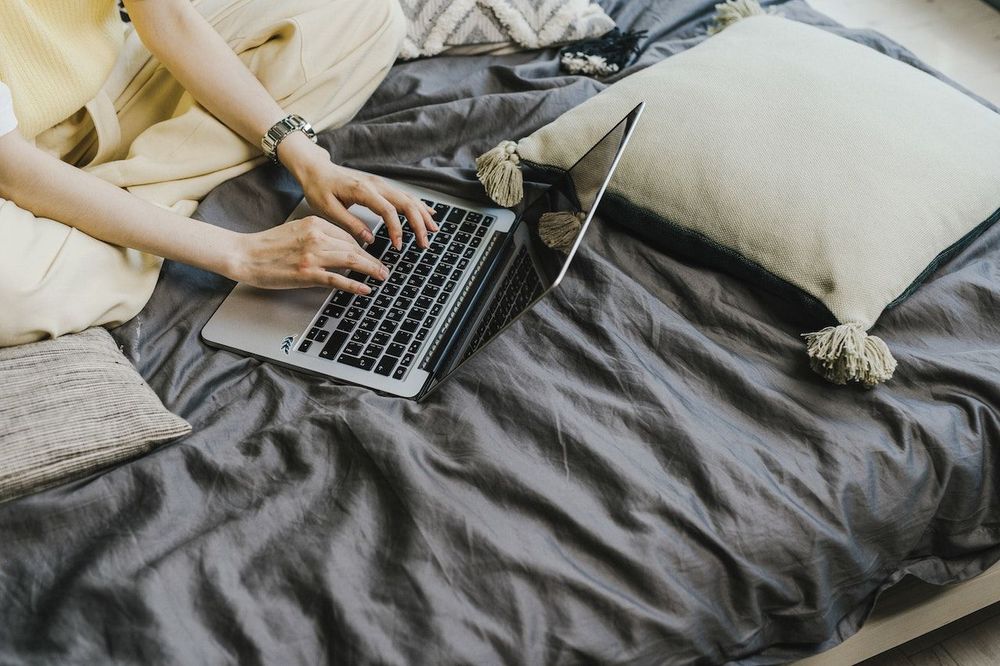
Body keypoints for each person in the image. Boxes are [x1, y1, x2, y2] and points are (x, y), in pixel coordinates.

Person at [0, 0, 435, 348]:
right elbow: (14, 171)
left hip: (104, 86)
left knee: (364, 15)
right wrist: (239, 253)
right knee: (10, 293)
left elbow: (167, 19)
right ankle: (135, 212)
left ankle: (112, 219)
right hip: (13, 165)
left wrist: (307, 158)